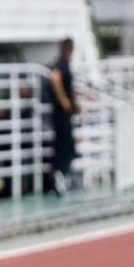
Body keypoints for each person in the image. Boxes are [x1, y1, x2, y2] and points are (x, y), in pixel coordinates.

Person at [48, 37, 78, 196]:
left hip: (64, 112)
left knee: (68, 145)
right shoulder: (62, 63)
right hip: (61, 113)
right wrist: (63, 99)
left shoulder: (64, 63)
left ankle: (61, 175)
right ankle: (59, 175)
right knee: (65, 144)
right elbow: (55, 78)